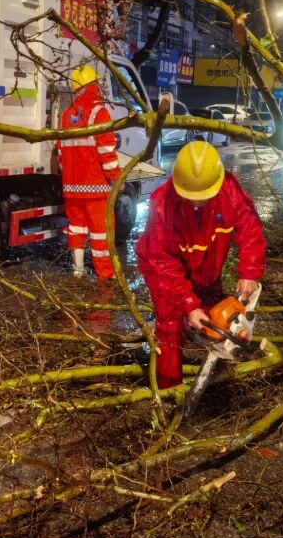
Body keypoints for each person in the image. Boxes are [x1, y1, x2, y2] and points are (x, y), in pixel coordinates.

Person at [136, 140, 266, 390]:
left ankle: (217, 380)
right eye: (190, 198)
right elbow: (162, 261)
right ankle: (170, 390)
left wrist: (249, 271)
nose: (196, 203)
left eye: (203, 198)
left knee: (215, 316)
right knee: (171, 324)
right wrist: (187, 303)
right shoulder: (162, 203)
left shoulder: (229, 190)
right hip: (162, 267)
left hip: (207, 262)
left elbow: (251, 231)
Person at [57, 65, 121, 279]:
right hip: (96, 187)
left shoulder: (67, 114)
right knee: (100, 232)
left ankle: (78, 269)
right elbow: (106, 153)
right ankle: (104, 274)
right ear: (94, 85)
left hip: (71, 187)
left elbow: (60, 151)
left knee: (76, 228)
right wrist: (116, 179)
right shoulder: (99, 112)